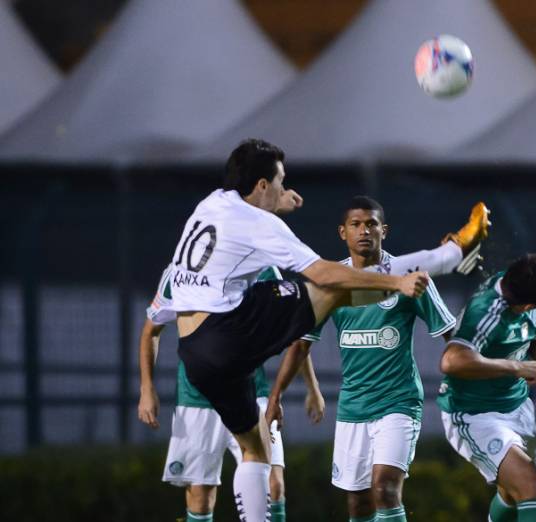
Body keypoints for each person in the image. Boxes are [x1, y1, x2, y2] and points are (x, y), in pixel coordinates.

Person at [164, 138, 429, 521]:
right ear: (260, 185)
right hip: (226, 335)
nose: (285, 188)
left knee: (256, 452)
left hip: (193, 354)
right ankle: (439, 259)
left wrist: (278, 202)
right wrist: (396, 284)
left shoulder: (211, 203)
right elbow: (320, 271)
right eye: (280, 181)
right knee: (325, 290)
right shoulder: (258, 226)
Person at [266, 195, 490, 522]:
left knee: (384, 489)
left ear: (383, 230)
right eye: (356, 225)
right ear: (343, 232)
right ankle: (457, 248)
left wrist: (482, 373)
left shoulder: (411, 279)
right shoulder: (329, 282)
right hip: (353, 406)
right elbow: (301, 344)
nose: (364, 231)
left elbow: (451, 336)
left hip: (398, 403)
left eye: (371, 224)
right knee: (359, 505)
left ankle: (459, 246)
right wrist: (277, 397)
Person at [139, 265, 314, 522]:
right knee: (200, 497)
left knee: (274, 486)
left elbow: (294, 332)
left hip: (252, 393)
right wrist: (146, 388)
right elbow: (151, 331)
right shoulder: (180, 270)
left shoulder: (262, 269)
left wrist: (312, 386)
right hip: (197, 398)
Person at [437, 254, 536, 522]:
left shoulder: (523, 282)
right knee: (532, 486)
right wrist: (516, 367)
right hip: (474, 415)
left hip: (517, 407)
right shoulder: (485, 313)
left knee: (512, 495)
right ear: (526, 305)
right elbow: (451, 360)